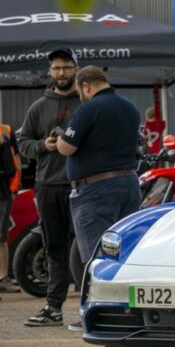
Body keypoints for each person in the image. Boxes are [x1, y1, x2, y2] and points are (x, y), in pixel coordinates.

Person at [18, 48, 81, 326]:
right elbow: (23, 144)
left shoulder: (87, 102)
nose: (61, 73)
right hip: (48, 186)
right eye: (56, 68)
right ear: (49, 71)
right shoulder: (38, 107)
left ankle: (89, 307)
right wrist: (44, 145)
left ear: (75, 69)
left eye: (66, 67)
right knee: (54, 246)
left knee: (85, 247)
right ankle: (53, 308)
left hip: (81, 185)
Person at [56, 66, 141, 270]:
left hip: (96, 192)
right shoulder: (130, 107)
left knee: (98, 259)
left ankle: (101, 301)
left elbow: (66, 147)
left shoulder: (88, 109)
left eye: (79, 92)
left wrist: (59, 138)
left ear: (86, 87)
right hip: (129, 185)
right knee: (125, 254)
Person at [0, 125, 21, 294]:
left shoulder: (5, 130)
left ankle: (2, 278)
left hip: (3, 190)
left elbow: (16, 160)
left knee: (1, 236)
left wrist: (14, 189)